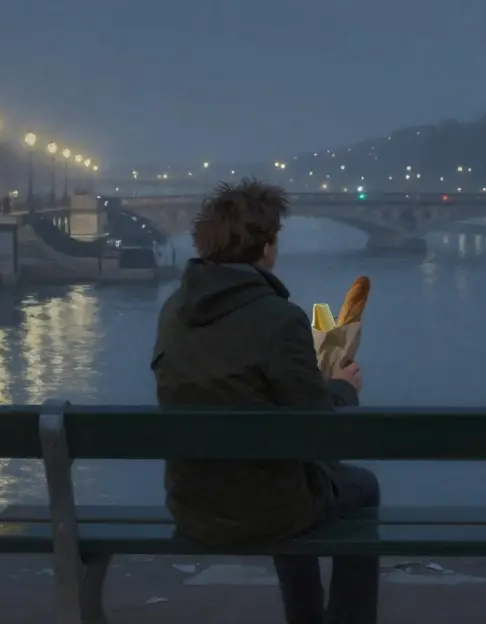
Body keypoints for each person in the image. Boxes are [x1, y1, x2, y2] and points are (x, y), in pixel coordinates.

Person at [151, 178, 378, 624]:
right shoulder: (278, 317)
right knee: (358, 486)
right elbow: (318, 430)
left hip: (192, 503)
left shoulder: (173, 310)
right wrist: (341, 386)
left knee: (285, 472)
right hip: (264, 508)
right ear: (267, 246)